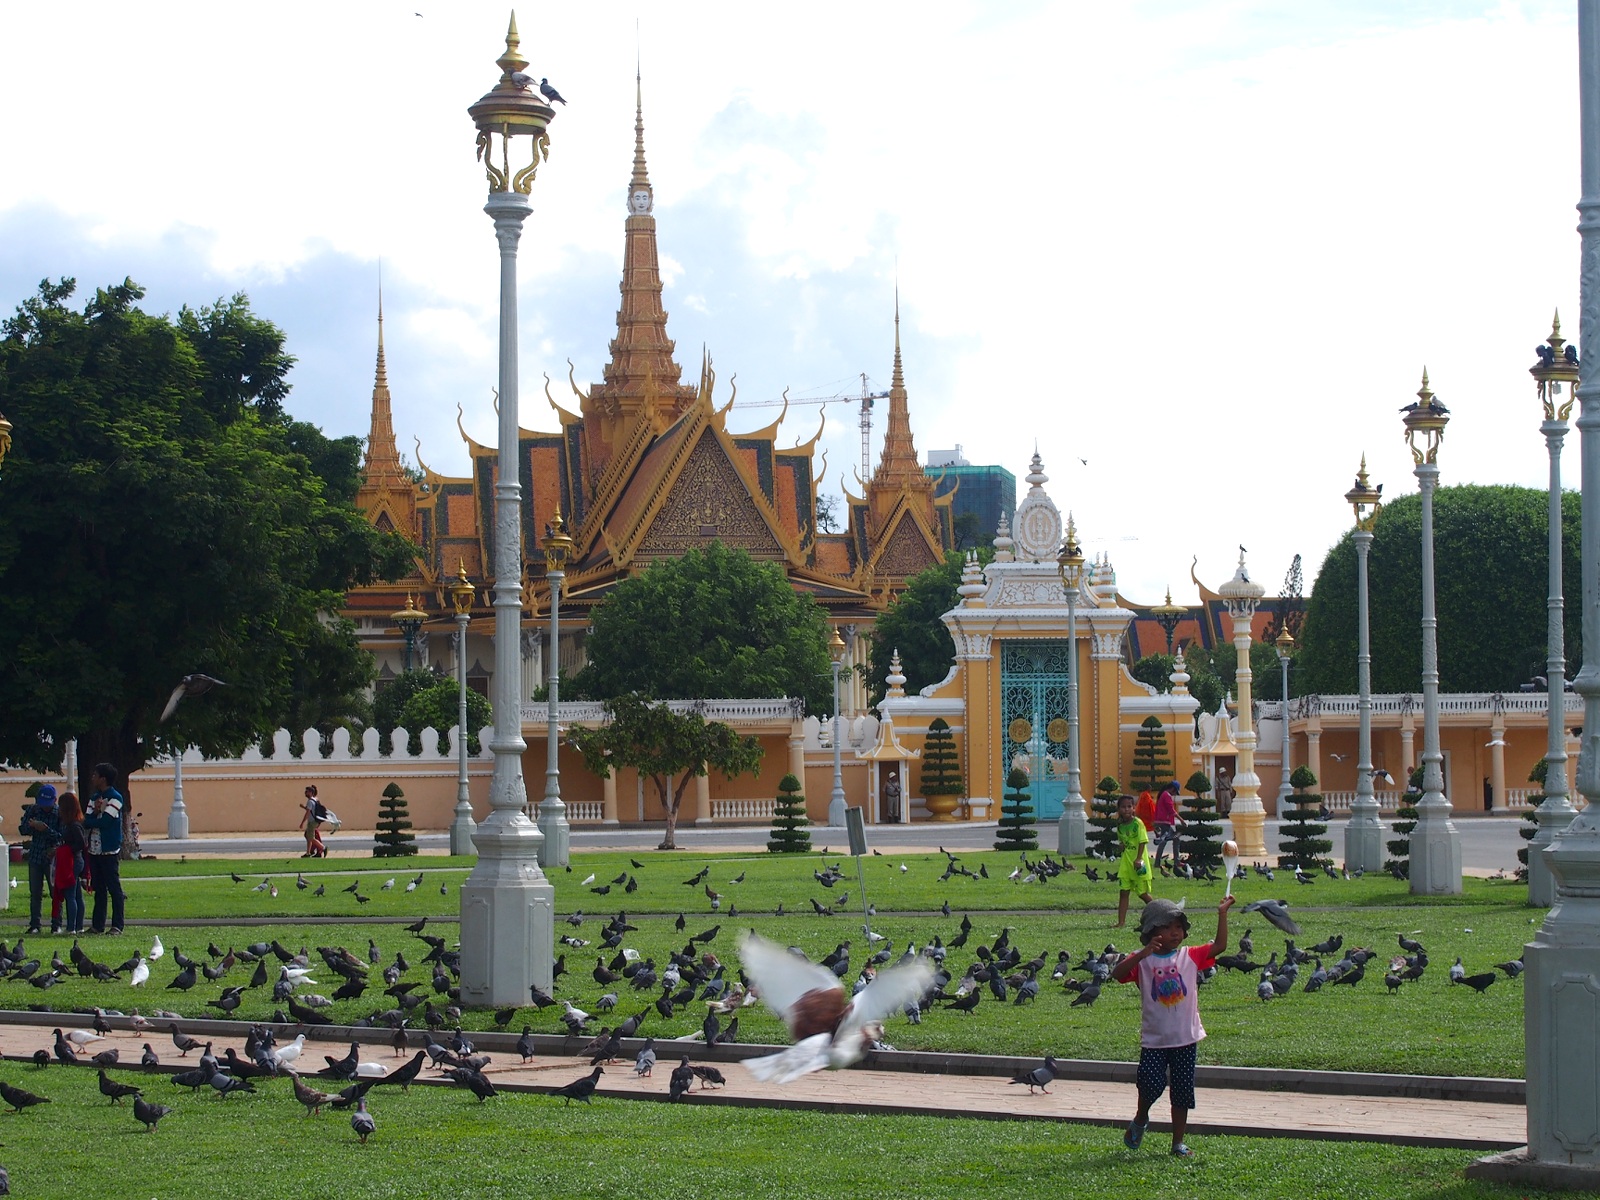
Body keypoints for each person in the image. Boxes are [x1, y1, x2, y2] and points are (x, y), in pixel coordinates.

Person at [1112, 894, 1236, 1159]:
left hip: (1185, 1038)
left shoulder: (1190, 956)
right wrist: (1142, 954)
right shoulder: (1142, 960)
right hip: (1155, 1041)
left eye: (1178, 927)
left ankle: (1177, 1142)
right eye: (1167, 928)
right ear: (1151, 932)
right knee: (1149, 1084)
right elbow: (1117, 974)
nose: (1174, 933)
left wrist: (1222, 913)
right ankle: (1141, 1117)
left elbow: (1221, 945)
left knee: (1181, 1093)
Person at [85, 762, 126, 935]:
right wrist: (95, 813)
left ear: (103, 778)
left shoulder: (116, 797)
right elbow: (86, 820)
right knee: (98, 888)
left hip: (109, 850)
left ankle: (117, 925)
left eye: (95, 775)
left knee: (114, 888)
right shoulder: (94, 797)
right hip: (94, 850)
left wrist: (94, 819)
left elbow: (106, 822)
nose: (92, 777)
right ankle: (97, 925)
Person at [17, 784, 63, 935]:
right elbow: (22, 829)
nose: (44, 808)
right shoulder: (33, 810)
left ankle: (56, 924)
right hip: (36, 854)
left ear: (54, 800)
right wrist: (33, 827)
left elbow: (61, 836)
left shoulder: (59, 813)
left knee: (55, 892)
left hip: (52, 856)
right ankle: (35, 924)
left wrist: (45, 829)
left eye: (47, 805)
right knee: (35, 892)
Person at [1115, 793, 1154, 929]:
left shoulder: (1138, 824)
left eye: (1129, 806)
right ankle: (1121, 922)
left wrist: (1138, 859)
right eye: (1123, 807)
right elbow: (1123, 842)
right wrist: (1121, 847)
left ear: (1133, 808)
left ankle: (1162, 912)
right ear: (1119, 809)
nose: (1126, 809)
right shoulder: (1120, 826)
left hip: (1138, 864)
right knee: (1123, 892)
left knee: (1142, 894)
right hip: (1126, 864)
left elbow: (1142, 841)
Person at [52, 792, 87, 935]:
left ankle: (71, 927)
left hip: (72, 862)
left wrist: (64, 849)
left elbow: (81, 843)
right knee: (77, 895)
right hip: (75, 861)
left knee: (70, 895)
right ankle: (78, 926)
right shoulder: (73, 825)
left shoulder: (73, 826)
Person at [1151, 780, 1185, 870]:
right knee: (1164, 841)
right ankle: (1158, 862)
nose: (1174, 794)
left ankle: (1175, 861)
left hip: (1162, 822)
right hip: (1164, 822)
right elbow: (1171, 810)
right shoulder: (1166, 795)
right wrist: (1182, 820)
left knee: (1175, 839)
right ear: (1172, 789)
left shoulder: (1163, 794)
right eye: (1175, 792)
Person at [299, 785, 327, 858]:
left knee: (311, 838)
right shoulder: (314, 800)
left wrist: (302, 823)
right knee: (308, 836)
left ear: (311, 792)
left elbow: (308, 813)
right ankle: (308, 853)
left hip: (312, 822)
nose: (305, 793)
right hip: (314, 821)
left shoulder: (310, 802)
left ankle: (323, 848)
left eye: (307, 792)